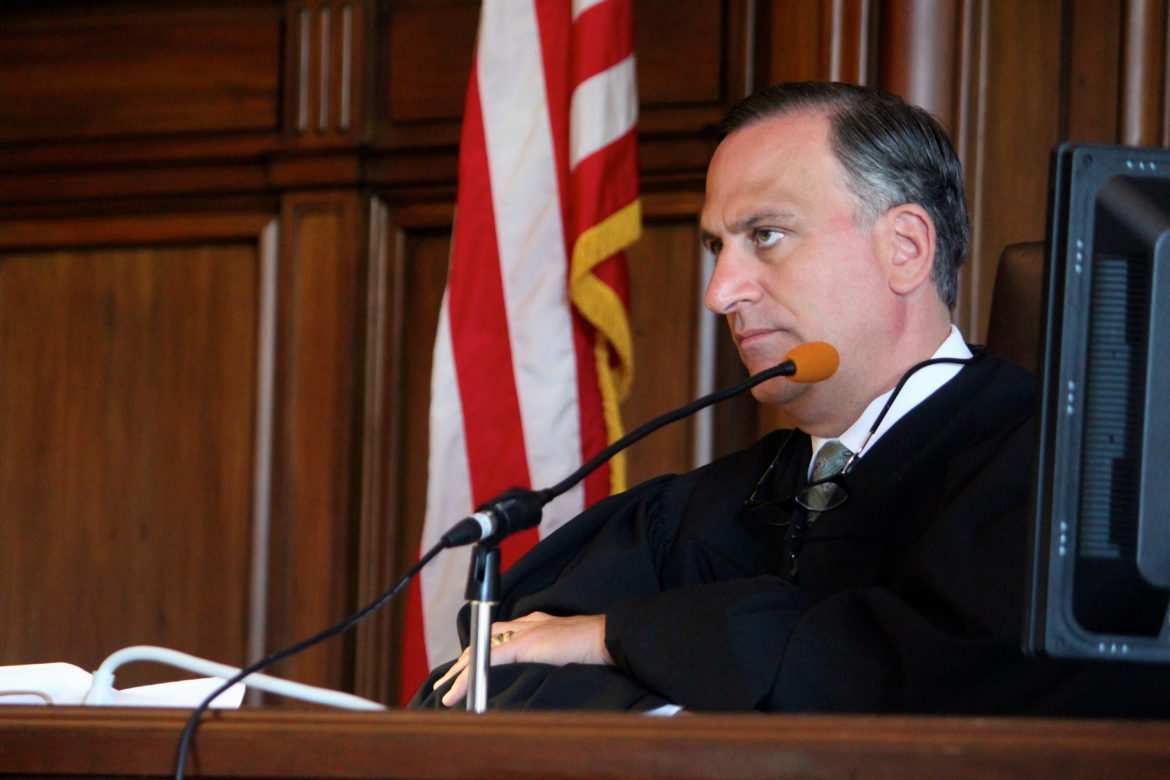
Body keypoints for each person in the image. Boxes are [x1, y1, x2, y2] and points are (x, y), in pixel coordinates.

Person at [411, 81, 1170, 714]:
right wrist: (673, 702)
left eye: (766, 235)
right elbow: (491, 674)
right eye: (717, 246)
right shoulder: (702, 513)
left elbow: (945, 692)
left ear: (906, 248)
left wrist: (620, 640)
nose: (720, 292)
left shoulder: (1060, 485)